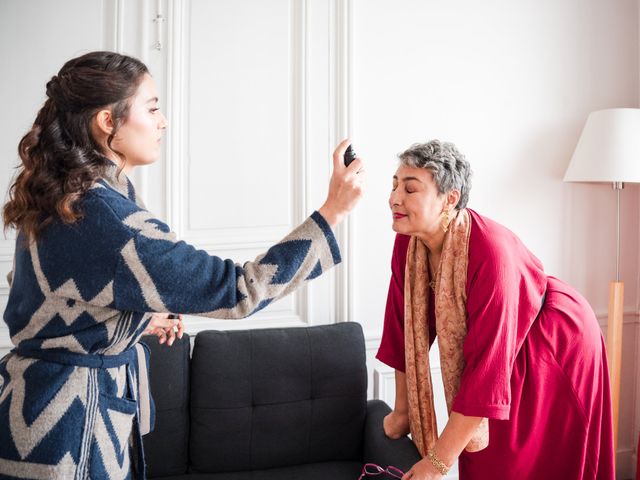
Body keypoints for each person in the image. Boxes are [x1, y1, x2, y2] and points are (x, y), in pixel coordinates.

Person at [0, 51, 364, 479]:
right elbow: (238, 291)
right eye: (151, 108)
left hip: (35, 414)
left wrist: (133, 320)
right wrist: (331, 214)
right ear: (107, 121)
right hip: (71, 435)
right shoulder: (107, 217)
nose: (163, 122)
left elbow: (49, 289)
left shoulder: (63, 193)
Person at [376, 140, 614, 479]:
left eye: (410, 189)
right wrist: (402, 412)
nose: (394, 198)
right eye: (395, 185)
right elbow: (402, 326)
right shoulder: (408, 241)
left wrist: (436, 463)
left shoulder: (490, 252)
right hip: (501, 341)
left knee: (513, 460)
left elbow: (486, 372)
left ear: (450, 199)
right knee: (483, 454)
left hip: (553, 341)